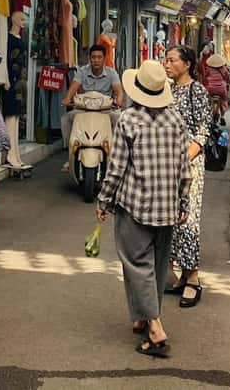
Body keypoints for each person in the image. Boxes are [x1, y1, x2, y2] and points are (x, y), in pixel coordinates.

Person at [97, 60, 191, 358]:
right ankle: (141, 317)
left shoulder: (128, 120)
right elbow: (184, 168)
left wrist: (104, 201)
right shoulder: (175, 120)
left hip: (135, 206)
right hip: (167, 208)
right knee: (157, 266)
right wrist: (184, 202)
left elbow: (116, 169)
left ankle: (155, 326)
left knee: (137, 265)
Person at [163, 46, 211, 308]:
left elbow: (203, 131)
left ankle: (193, 278)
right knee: (171, 220)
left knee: (188, 220)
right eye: (165, 60)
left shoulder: (198, 91)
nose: (166, 64)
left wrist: (184, 158)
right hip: (166, 165)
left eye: (172, 60)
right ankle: (181, 276)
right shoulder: (166, 90)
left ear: (188, 64)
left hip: (190, 166)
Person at [60, 44, 125, 170]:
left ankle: (117, 154)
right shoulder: (82, 71)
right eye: (93, 57)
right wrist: (68, 98)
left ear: (104, 59)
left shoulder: (111, 73)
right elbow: (74, 86)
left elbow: (119, 90)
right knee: (66, 119)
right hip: (84, 109)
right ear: (90, 59)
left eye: (99, 57)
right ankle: (71, 154)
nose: (96, 60)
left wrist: (119, 100)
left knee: (118, 119)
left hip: (105, 110)